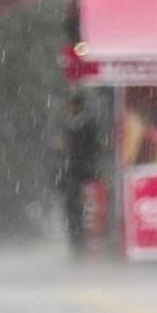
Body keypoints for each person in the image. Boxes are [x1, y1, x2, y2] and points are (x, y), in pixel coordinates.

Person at [55, 93, 101, 257]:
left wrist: (69, 147)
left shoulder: (86, 125)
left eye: (73, 105)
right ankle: (76, 247)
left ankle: (82, 248)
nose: (71, 109)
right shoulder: (70, 125)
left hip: (83, 174)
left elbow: (89, 147)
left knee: (84, 212)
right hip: (74, 176)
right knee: (73, 212)